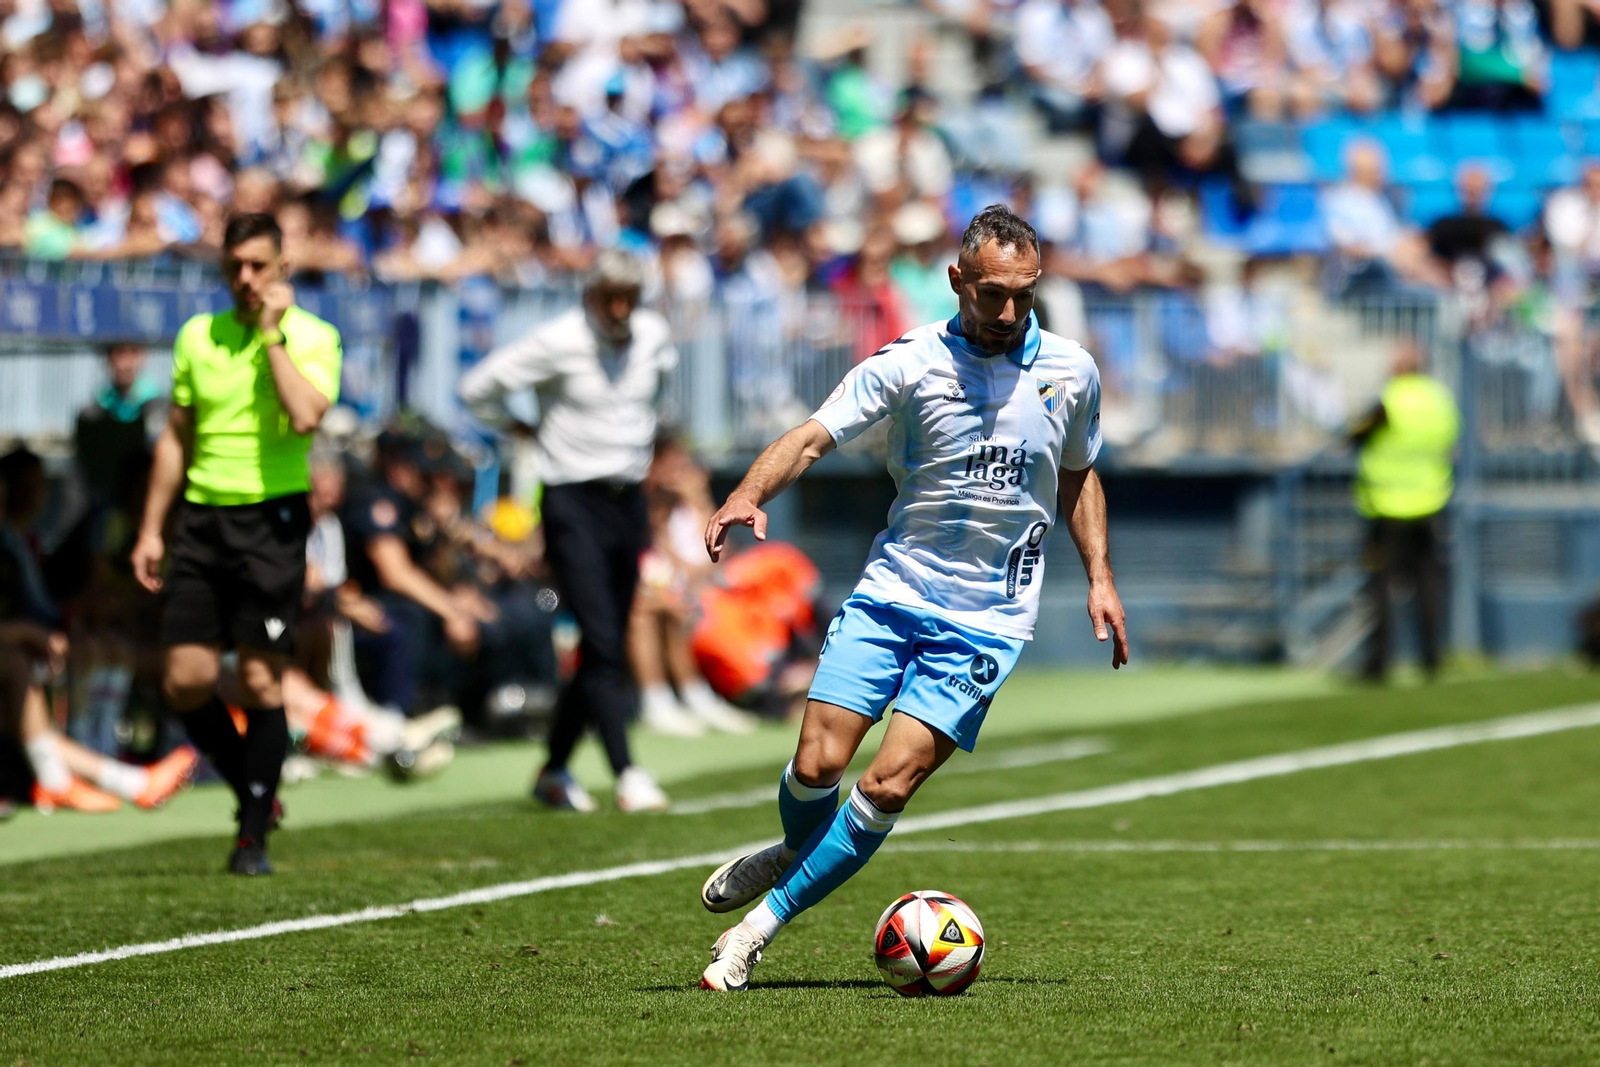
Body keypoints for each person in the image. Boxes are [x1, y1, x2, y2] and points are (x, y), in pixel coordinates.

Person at [696, 205, 1128, 991]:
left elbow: (1078, 473)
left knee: (887, 783)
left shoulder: (1072, 370)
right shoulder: (910, 361)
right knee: (816, 764)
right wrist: (746, 493)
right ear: (957, 279)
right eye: (992, 293)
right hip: (893, 591)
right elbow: (812, 435)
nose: (1009, 311)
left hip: (987, 621)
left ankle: (757, 929)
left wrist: (1099, 574)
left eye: (1024, 294)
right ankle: (796, 850)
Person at [131, 212, 342, 875]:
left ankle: (251, 834)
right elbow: (177, 435)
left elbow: (305, 416)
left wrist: (272, 336)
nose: (246, 278)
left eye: (258, 265)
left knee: (258, 677)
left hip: (271, 523)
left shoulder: (314, 336)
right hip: (201, 519)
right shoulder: (199, 335)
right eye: (235, 267)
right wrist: (151, 526)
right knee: (185, 679)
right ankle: (256, 787)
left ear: (283, 267)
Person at [459, 249, 676, 814]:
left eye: (629, 297)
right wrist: (518, 426)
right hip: (572, 501)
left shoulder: (653, 336)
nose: (620, 308)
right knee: (602, 640)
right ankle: (626, 771)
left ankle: (554, 768)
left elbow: (655, 393)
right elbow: (477, 388)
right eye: (610, 297)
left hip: (628, 501)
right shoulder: (557, 340)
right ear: (590, 295)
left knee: (605, 646)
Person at [1350, 343, 1460, 682]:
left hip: (1387, 506)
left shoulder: (1389, 400)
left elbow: (1354, 434)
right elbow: (1451, 440)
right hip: (1430, 503)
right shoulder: (1440, 399)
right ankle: (1432, 657)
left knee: (1381, 587)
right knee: (1428, 584)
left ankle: (1379, 662)